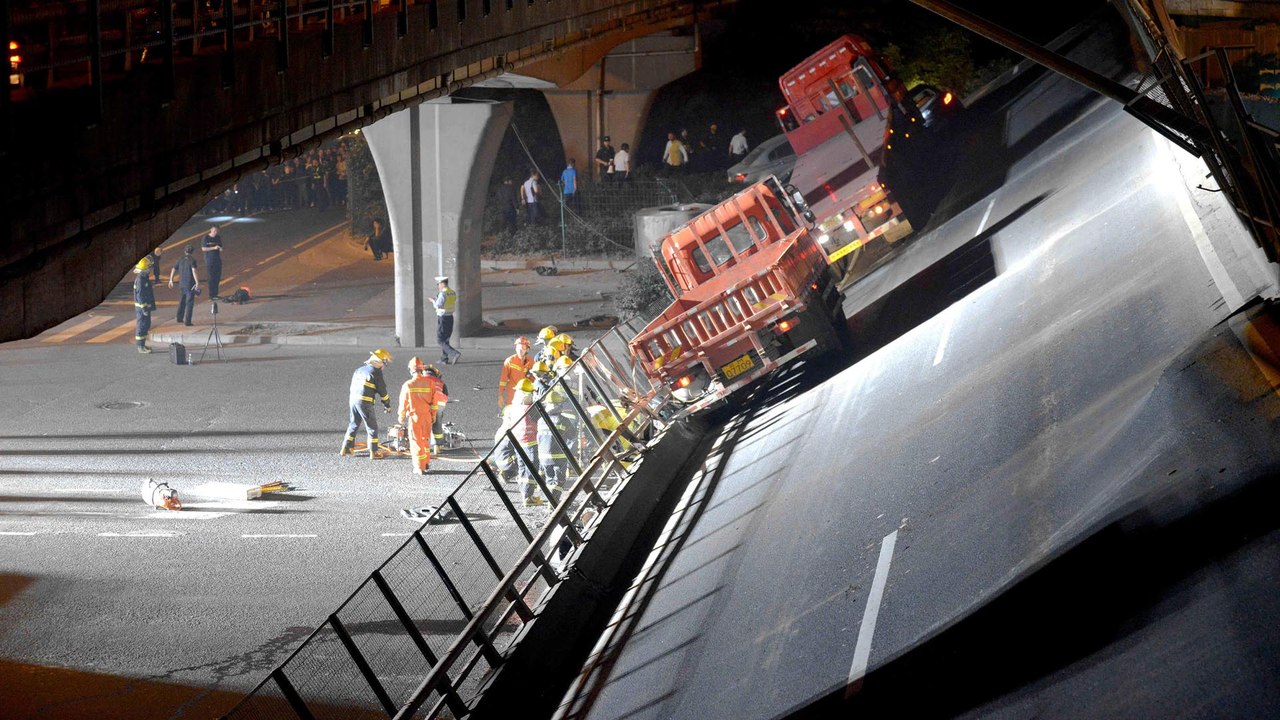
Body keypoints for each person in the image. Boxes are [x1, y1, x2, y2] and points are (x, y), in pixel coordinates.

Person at [340, 348, 393, 459]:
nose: (385, 366)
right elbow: (382, 391)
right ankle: (374, 452)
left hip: (353, 400)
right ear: (379, 361)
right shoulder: (376, 372)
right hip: (365, 402)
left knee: (353, 423)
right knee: (372, 427)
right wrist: (387, 404)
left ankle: (345, 448)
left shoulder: (359, 370)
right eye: (385, 363)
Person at [398, 357, 439, 475]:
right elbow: (434, 401)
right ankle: (426, 463)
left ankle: (418, 467)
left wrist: (401, 416)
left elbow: (403, 403)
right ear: (422, 369)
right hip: (426, 416)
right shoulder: (430, 382)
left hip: (415, 417)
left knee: (416, 441)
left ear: (411, 370)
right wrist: (433, 415)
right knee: (425, 440)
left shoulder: (408, 385)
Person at [167, 245, 200, 327]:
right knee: (189, 302)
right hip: (190, 284)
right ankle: (187, 321)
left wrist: (171, 280)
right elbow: (194, 271)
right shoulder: (192, 260)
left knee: (181, 301)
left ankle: (179, 318)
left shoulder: (180, 259)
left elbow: (173, 269)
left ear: (185, 251)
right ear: (192, 252)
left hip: (182, 284)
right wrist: (197, 282)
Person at [499, 336, 534, 412]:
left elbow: (533, 378)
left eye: (522, 349)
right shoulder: (510, 361)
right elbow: (503, 379)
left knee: (525, 414)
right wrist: (500, 394)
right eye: (518, 349)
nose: (520, 351)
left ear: (527, 349)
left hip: (526, 393)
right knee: (511, 414)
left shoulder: (531, 362)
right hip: (513, 393)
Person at [434, 277, 462, 365]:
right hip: (450, 317)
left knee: (440, 340)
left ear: (442, 284)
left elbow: (438, 305)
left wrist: (433, 301)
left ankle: (454, 353)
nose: (438, 286)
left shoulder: (443, 294)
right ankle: (444, 359)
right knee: (446, 339)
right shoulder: (452, 292)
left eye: (438, 284)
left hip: (443, 318)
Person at [422, 364, 450, 453]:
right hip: (439, 403)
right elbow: (446, 395)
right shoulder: (440, 382)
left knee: (423, 423)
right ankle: (437, 446)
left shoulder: (421, 380)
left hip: (425, 404)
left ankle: (424, 446)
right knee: (437, 422)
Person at [132, 258, 157, 354]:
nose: (150, 269)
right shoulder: (141, 280)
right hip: (142, 308)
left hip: (145, 307)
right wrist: (144, 308)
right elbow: (140, 295)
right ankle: (140, 346)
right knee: (142, 325)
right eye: (149, 267)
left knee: (146, 324)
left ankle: (142, 344)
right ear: (145, 269)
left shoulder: (144, 278)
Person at [201, 226, 224, 300]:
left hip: (217, 259)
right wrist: (213, 248)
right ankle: (211, 295)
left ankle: (215, 294)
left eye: (217, 231)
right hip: (209, 260)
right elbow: (203, 248)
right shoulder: (206, 238)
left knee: (217, 277)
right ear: (211, 230)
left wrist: (220, 249)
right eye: (214, 231)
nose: (215, 232)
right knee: (211, 277)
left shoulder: (218, 237)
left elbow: (221, 246)